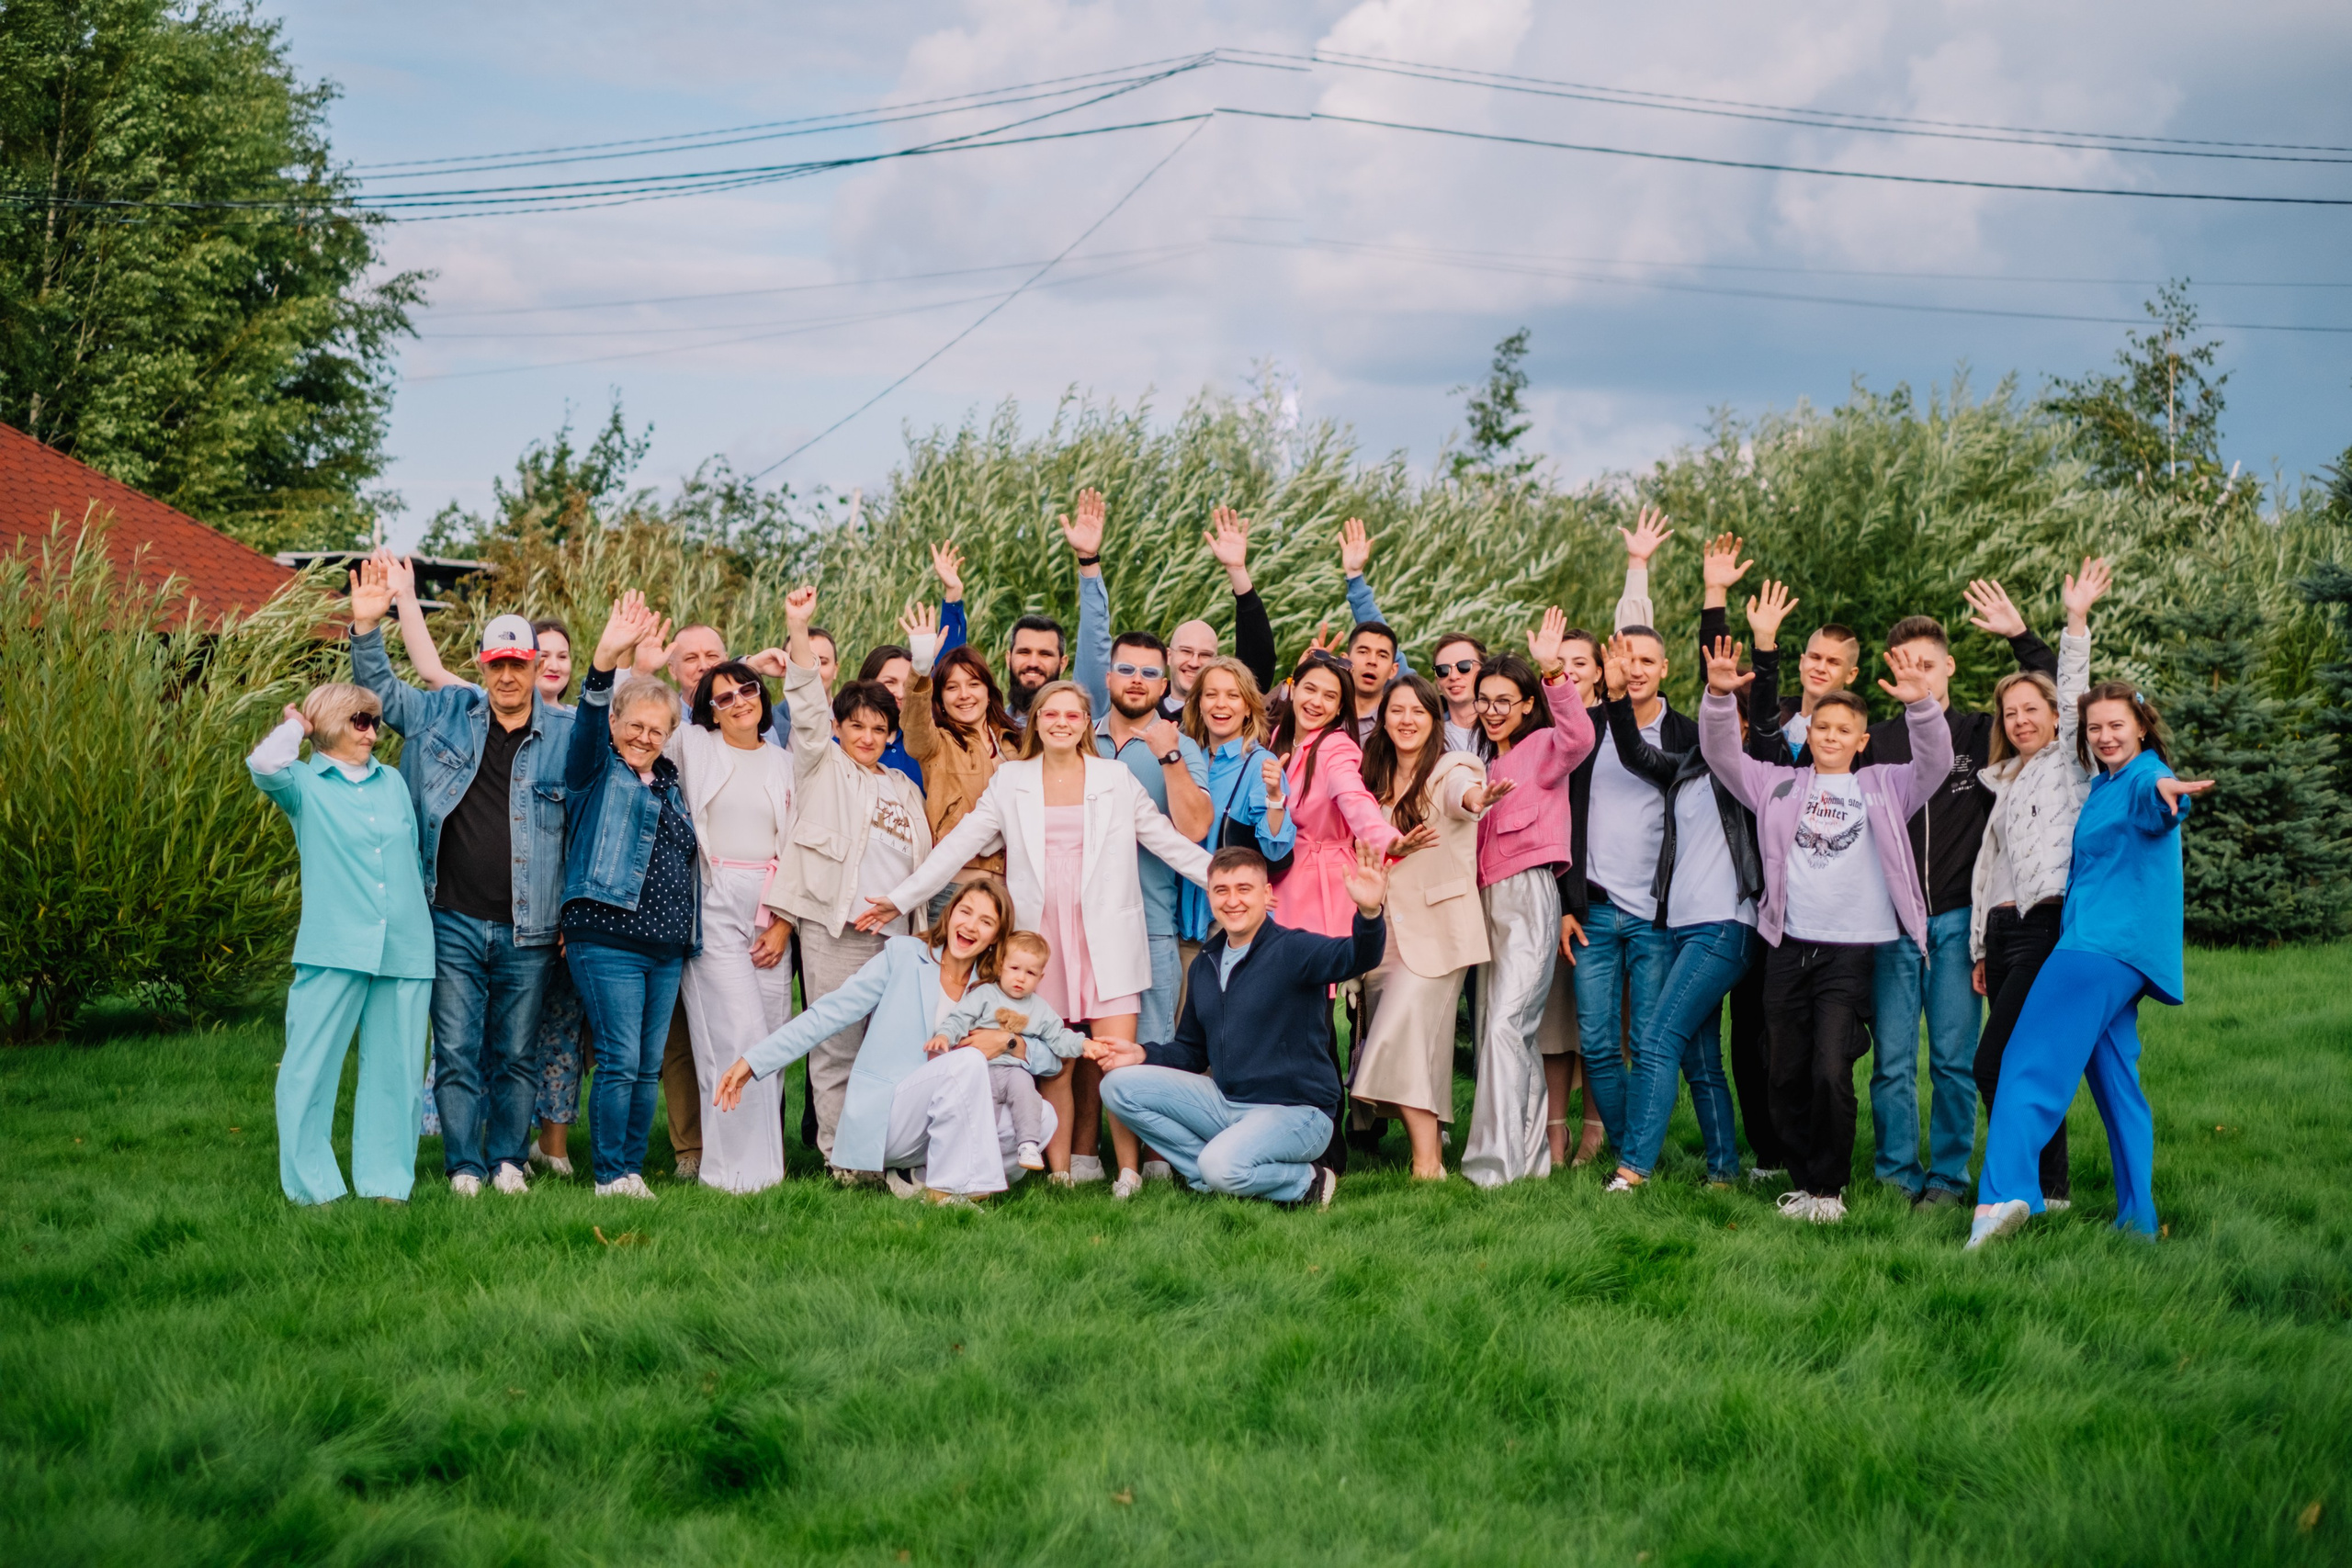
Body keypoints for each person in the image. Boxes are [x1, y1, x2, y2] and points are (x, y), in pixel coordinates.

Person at [857, 679, 1214, 1196]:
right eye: (1051, 715)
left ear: (1084, 725)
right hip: (1039, 946)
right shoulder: (1011, 782)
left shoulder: (1113, 778)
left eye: (1072, 715)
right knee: (1053, 1061)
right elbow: (958, 845)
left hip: (1107, 938)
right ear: (1038, 723)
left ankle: (1129, 1172)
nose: (1061, 723)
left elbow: (1169, 843)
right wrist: (904, 896)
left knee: (1115, 1057)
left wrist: (1230, 887)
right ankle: (1062, 1170)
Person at [1696, 636, 1951, 1224]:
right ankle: (1804, 1175)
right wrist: (1716, 695)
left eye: (1844, 731)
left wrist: (1921, 706)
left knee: (1831, 1069)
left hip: (1851, 950)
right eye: (1822, 728)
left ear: (1861, 741)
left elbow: (1934, 762)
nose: (1831, 737)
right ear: (1808, 733)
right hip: (1788, 946)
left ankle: (1828, 1191)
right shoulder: (1779, 786)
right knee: (1781, 1069)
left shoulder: (1885, 787)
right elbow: (1722, 755)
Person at [348, 559, 573, 1201]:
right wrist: (367, 628)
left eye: (519, 664)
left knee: (517, 1051)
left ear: (536, 667)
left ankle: (507, 1158)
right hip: (449, 916)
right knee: (455, 1049)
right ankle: (463, 1165)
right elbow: (385, 696)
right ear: (482, 665)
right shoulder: (444, 713)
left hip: (530, 927)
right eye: (497, 663)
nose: (508, 675)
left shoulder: (563, 734)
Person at [1969, 684, 2211, 1247]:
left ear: (2142, 727)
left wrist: (2167, 792)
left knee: (2023, 1064)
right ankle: (2138, 1221)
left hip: (2097, 948)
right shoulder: (2103, 784)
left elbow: (2156, 803)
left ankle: (2002, 1199)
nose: (2105, 736)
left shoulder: (2141, 778)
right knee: (2116, 1083)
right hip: (2120, 953)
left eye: (2116, 726)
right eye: (2095, 728)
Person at [1861, 591, 2064, 1208]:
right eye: (1904, 665)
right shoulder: (1877, 742)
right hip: (1891, 923)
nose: (1915, 674)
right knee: (1893, 1061)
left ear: (1947, 666)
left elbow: (2059, 701)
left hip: (1955, 920)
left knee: (1952, 1058)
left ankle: (1948, 1176)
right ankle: (1896, 1172)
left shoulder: (1983, 734)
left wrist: (2021, 635)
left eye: (1927, 663)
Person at [715, 878, 1054, 1202]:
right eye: (965, 912)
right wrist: (753, 1061)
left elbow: (1052, 1058)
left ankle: (919, 1179)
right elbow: (828, 1014)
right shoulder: (904, 955)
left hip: (947, 1118)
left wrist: (1010, 1043)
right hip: (893, 1115)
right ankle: (950, 1191)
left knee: (1043, 1118)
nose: (970, 926)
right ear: (949, 914)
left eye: (986, 921)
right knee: (967, 1061)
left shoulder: (994, 986)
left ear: (996, 936)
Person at [1091, 843, 1390, 1207]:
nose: (1233, 901)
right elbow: (1191, 1050)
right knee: (1118, 1086)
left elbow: (1356, 956)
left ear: (1267, 894)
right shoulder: (1205, 964)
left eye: (1244, 889)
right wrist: (1141, 1053)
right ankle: (1211, 1173)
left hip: (1299, 1113)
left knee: (1221, 1166)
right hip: (1228, 1104)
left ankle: (1306, 1181)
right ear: (1210, 896)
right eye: (1222, 890)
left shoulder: (1294, 950)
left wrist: (1370, 912)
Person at [248, 684, 435, 1205]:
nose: (372, 732)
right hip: (334, 947)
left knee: (398, 1075)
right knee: (309, 1070)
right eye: (359, 721)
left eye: (374, 722)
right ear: (328, 722)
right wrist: (297, 726)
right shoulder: (302, 785)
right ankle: (314, 1188)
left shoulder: (393, 781)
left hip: (406, 946)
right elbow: (263, 764)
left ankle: (386, 1184)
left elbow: (414, 856)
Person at [1591, 630, 1762, 1193]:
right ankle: (1723, 1172)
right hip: (1682, 929)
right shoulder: (1687, 770)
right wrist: (1616, 699)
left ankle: (1632, 1170)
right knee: (1698, 1056)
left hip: (1724, 928)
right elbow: (1636, 752)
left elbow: (1749, 725)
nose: (1724, 730)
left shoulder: (1752, 772)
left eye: (1734, 721)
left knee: (1657, 1038)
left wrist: (1761, 654)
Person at [770, 586, 933, 1168]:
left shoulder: (904, 788)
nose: (867, 737)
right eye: (856, 725)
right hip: (836, 930)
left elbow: (923, 864)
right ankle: (843, 1159)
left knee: (890, 1048)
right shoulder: (820, 764)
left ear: (892, 734)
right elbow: (806, 703)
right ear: (839, 727)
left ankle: (887, 1151)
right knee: (836, 1046)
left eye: (878, 728)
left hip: (897, 938)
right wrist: (798, 626)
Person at [1968, 560, 2108, 1213]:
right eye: (2010, 711)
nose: (2021, 719)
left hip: (2045, 926)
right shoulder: (2003, 781)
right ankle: (2050, 1190)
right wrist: (1978, 946)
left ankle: (2027, 1185)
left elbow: (2077, 687)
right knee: (2025, 1061)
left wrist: (2073, 621)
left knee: (1994, 1063)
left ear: (2055, 716)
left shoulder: (2069, 768)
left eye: (2033, 709)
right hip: (2001, 933)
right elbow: (1989, 873)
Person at [559, 592, 703, 1200]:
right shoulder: (596, 767)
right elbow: (591, 709)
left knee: (646, 1063)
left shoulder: (670, 783)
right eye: (635, 725)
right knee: (619, 1058)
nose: (645, 736)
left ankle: (630, 1169)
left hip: (666, 943)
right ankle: (609, 1173)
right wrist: (606, 659)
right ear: (618, 727)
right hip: (607, 936)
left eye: (657, 728)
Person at [1351, 674, 1510, 1178]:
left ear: (1434, 719)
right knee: (1416, 1049)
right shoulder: (1372, 778)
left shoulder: (1452, 768)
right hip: (1385, 934)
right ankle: (1432, 1160)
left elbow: (1463, 795)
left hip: (1438, 933)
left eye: (1418, 711)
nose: (1406, 720)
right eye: (1396, 711)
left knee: (1397, 1040)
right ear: (1383, 719)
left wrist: (1476, 800)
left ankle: (1426, 1163)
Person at [1069, 512, 1216, 1047]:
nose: (1137, 680)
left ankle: (1150, 1137)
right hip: (1071, 917)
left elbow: (1196, 829)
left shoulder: (1184, 746)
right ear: (1108, 678)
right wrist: (1089, 566)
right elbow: (1092, 638)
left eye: (1150, 673)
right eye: (1126, 670)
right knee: (1071, 1056)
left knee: (1148, 1053)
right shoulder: (1078, 739)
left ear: (1167, 680)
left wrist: (1170, 758)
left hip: (1151, 923)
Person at [1463, 613, 1597, 1187]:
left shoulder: (1545, 746)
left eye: (1504, 700)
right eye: (1483, 700)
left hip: (1530, 896)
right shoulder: (1481, 765)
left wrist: (1551, 670)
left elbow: (1580, 736)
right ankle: (1528, 1160)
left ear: (1524, 704)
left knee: (1507, 1027)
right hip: (1485, 904)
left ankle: (1498, 1165)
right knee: (1499, 1027)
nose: (1492, 710)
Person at [670, 660, 797, 1193]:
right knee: (730, 1035)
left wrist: (786, 922)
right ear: (710, 713)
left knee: (769, 1039)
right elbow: (643, 714)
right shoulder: (695, 748)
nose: (740, 701)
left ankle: (767, 1171)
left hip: (773, 907)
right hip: (715, 899)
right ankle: (727, 1174)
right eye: (723, 698)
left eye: (748, 689)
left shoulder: (787, 762)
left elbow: (799, 845)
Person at [922, 930, 1091, 1171]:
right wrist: (943, 1036)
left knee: (1027, 1094)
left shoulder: (1040, 1009)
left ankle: (1028, 1143)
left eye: (1030, 973)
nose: (1021, 978)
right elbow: (959, 1019)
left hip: (1014, 1071)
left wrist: (1084, 1044)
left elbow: (1059, 1037)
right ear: (1001, 966)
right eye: (1015, 969)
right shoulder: (984, 994)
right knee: (981, 1111)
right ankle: (975, 1157)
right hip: (982, 1071)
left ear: (1040, 977)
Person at [1175, 657, 1295, 976]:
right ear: (1198, 703)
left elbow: (1275, 850)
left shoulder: (1259, 764)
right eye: (1211, 694)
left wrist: (1274, 799)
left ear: (1248, 707)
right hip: (1181, 924)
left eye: (1232, 695)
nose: (1221, 704)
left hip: (1230, 925)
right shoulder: (1185, 760)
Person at [899, 615, 1016, 921]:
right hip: (953, 889)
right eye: (952, 687)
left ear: (988, 690)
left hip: (1011, 893)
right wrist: (921, 668)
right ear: (940, 698)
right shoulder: (937, 744)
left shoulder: (1018, 744)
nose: (964, 695)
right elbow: (914, 724)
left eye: (973, 684)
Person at [1428, 633, 1488, 754]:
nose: (1453, 676)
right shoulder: (1430, 740)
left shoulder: (1508, 726)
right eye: (1443, 670)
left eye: (1464, 666)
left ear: (1484, 671)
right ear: (1437, 681)